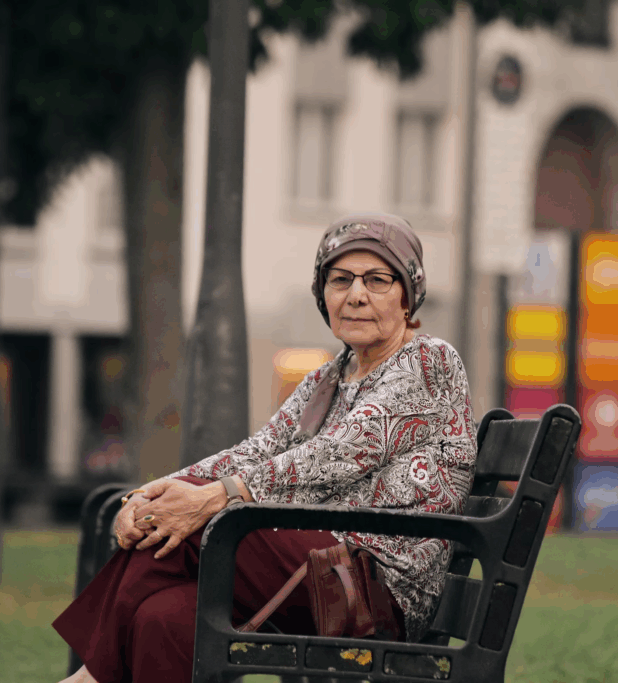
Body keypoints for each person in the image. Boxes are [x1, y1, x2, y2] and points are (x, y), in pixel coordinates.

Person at [54, 213, 478, 683]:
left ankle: (85, 681)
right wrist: (156, 493)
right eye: (340, 280)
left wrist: (213, 496)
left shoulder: (430, 361)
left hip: (374, 592)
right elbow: (255, 451)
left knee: (211, 520)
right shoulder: (327, 378)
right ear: (324, 296)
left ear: (407, 295)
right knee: (164, 616)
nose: (356, 294)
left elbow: (339, 452)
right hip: (314, 568)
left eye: (377, 280)